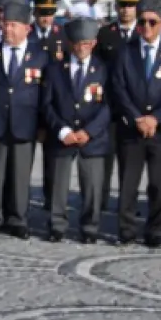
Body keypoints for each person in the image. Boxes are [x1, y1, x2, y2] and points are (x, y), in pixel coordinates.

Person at [110, 0, 161, 248]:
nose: (147, 28)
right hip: (132, 129)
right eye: (142, 22)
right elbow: (118, 88)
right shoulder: (125, 52)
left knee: (159, 184)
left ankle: (156, 231)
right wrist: (137, 118)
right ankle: (127, 230)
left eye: (152, 23)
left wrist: (156, 118)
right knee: (129, 183)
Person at [0, 1, 47, 239]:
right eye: (5, 25)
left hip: (25, 124)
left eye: (13, 25)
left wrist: (42, 125)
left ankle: (18, 218)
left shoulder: (40, 56)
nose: (8, 30)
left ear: (27, 28)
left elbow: (45, 95)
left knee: (20, 177)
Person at [43, 18, 109, 244]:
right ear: (70, 44)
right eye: (78, 43)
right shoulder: (54, 69)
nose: (82, 48)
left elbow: (108, 106)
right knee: (58, 184)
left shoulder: (102, 70)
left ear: (94, 43)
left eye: (87, 43)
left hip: (92, 137)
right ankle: (57, 225)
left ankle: (90, 228)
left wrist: (89, 131)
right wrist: (62, 130)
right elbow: (47, 104)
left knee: (92, 186)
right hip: (63, 136)